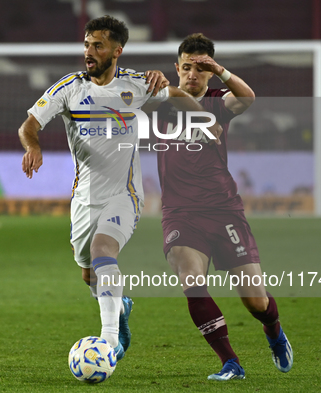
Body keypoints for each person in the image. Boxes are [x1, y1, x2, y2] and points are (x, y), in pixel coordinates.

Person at [18, 17, 220, 361]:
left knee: (103, 251)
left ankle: (108, 342)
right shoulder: (68, 88)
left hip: (124, 194)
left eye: (97, 45)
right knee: (89, 275)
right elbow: (30, 125)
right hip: (84, 198)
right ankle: (121, 307)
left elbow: (178, 97)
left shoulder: (137, 85)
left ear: (117, 50)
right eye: (86, 45)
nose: (89, 52)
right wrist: (32, 145)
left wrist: (198, 117)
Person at [153, 33, 293, 380]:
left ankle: (274, 330)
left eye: (201, 70)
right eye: (186, 68)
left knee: (256, 301)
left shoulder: (219, 101)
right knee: (190, 279)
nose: (192, 75)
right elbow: (133, 95)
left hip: (223, 210)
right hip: (180, 212)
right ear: (177, 67)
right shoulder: (162, 102)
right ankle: (231, 362)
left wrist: (222, 71)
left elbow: (247, 97)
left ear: (210, 73)